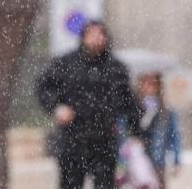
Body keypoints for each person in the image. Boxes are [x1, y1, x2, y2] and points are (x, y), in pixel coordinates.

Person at [36, 21, 141, 189]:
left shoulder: (115, 68)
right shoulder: (65, 64)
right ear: (83, 37)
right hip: (72, 139)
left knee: (105, 184)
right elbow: (43, 87)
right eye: (91, 34)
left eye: (100, 34)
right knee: (71, 184)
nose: (96, 39)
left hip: (105, 141)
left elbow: (128, 102)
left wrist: (135, 132)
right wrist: (56, 107)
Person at [137, 72, 181, 188]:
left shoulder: (165, 111)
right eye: (147, 82)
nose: (150, 86)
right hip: (138, 162)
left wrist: (176, 160)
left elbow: (174, 136)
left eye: (153, 82)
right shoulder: (134, 109)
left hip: (158, 162)